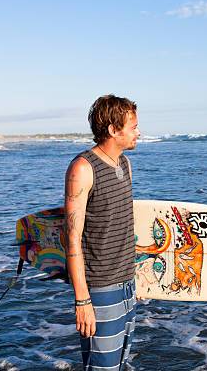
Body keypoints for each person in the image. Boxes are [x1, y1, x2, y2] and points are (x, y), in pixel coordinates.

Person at [64, 94, 140, 370]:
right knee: (102, 366)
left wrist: (137, 276)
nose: (138, 133)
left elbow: (124, 225)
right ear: (112, 130)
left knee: (121, 363)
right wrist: (82, 300)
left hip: (127, 283)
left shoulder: (124, 164)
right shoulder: (83, 168)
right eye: (132, 127)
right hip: (101, 289)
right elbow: (72, 238)